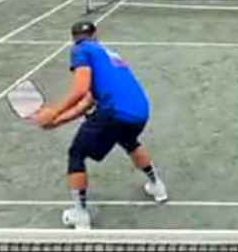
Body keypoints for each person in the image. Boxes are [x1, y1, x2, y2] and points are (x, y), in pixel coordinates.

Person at [35, 21, 167, 230]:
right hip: (139, 111)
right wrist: (57, 121)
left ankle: (79, 214)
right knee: (129, 140)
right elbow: (87, 102)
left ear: (74, 38)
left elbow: (80, 91)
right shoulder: (109, 54)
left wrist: (53, 112)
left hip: (114, 111)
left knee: (76, 154)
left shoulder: (81, 50)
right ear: (95, 35)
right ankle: (157, 186)